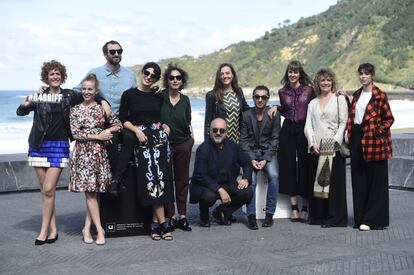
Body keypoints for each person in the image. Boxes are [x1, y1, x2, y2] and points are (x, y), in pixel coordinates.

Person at [16, 60, 84, 245]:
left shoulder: (70, 95)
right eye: (51, 74)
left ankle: (43, 230)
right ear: (46, 77)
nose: (55, 76)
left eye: (58, 73)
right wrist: (24, 104)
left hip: (59, 146)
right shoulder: (40, 95)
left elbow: (91, 94)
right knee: (47, 191)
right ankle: (53, 229)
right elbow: (21, 112)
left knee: (47, 189)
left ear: (62, 77)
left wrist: (105, 103)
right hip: (38, 146)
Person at [114, 62, 174, 240]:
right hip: (142, 139)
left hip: (160, 140)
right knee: (150, 179)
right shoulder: (129, 94)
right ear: (141, 73)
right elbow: (123, 119)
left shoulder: (158, 96)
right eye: (147, 73)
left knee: (162, 179)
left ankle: (155, 225)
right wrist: (136, 131)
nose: (149, 77)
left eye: (154, 75)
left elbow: (160, 117)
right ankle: (163, 224)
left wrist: (166, 126)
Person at [74, 40, 137, 194]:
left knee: (130, 138)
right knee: (112, 139)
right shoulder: (95, 73)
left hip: (124, 120)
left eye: (119, 51)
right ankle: (115, 181)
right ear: (105, 54)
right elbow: (77, 91)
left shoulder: (129, 75)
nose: (117, 54)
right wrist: (102, 100)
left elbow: (135, 96)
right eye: (113, 51)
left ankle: (116, 179)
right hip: (104, 123)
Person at [69, 74, 122, 245]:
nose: (86, 92)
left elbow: (118, 124)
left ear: (96, 91)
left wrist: (109, 131)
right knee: (91, 194)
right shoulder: (75, 109)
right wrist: (99, 135)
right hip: (83, 154)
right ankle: (100, 230)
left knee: (94, 193)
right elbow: (76, 133)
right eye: (84, 89)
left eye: (89, 89)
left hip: (99, 154)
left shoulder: (101, 108)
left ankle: (86, 227)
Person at [347, 63, 394, 231]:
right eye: (361, 74)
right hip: (357, 138)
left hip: (374, 140)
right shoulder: (357, 95)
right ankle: (360, 218)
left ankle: (372, 219)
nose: (363, 77)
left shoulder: (380, 95)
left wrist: (377, 131)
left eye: (366, 74)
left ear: (372, 75)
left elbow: (389, 118)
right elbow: (353, 117)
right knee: (358, 179)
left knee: (376, 181)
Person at [304, 68, 348, 227]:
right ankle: (318, 216)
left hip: (332, 144)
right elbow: (308, 125)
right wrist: (312, 143)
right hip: (316, 146)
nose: (326, 83)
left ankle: (334, 218)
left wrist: (335, 141)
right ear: (318, 82)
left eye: (328, 80)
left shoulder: (339, 100)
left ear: (332, 82)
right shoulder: (312, 103)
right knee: (320, 183)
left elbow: (344, 122)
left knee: (333, 185)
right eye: (322, 80)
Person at [190, 118, 253, 227]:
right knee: (209, 197)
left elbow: (247, 162)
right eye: (215, 130)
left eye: (221, 130)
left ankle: (222, 211)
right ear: (210, 131)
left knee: (247, 192)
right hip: (206, 185)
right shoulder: (203, 149)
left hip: (227, 183)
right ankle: (203, 215)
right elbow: (200, 175)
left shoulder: (233, 146)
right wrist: (219, 190)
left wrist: (246, 178)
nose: (218, 133)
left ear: (226, 132)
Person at [278, 60, 315, 222]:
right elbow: (284, 109)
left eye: (295, 72)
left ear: (300, 74)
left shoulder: (309, 90)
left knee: (305, 165)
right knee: (288, 166)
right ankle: (294, 207)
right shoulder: (282, 91)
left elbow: (318, 104)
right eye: (290, 72)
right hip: (287, 129)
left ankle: (305, 207)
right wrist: (275, 108)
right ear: (287, 74)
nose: (293, 75)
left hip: (304, 128)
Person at [240, 85, 281, 230]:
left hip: (267, 153)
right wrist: (251, 159)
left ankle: (269, 215)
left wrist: (265, 158)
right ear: (253, 98)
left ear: (268, 98)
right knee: (250, 181)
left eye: (263, 97)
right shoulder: (246, 115)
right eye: (257, 97)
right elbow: (243, 140)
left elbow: (275, 139)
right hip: (251, 153)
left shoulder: (274, 114)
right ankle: (251, 216)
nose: (260, 100)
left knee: (274, 176)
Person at [160, 64, 194, 232]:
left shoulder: (186, 100)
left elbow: (188, 122)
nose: (175, 80)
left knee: (182, 181)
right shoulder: (160, 97)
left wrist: (191, 140)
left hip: (183, 144)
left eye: (178, 78)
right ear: (167, 80)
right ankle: (171, 217)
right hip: (164, 145)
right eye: (171, 77)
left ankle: (182, 216)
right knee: (166, 181)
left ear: (182, 81)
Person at [204, 63, 250, 143]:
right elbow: (208, 122)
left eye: (227, 73)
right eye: (222, 74)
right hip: (220, 139)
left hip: (237, 140)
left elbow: (247, 110)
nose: (225, 76)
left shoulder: (238, 92)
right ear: (219, 77)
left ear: (232, 75)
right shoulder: (212, 95)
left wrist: (269, 109)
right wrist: (207, 143)